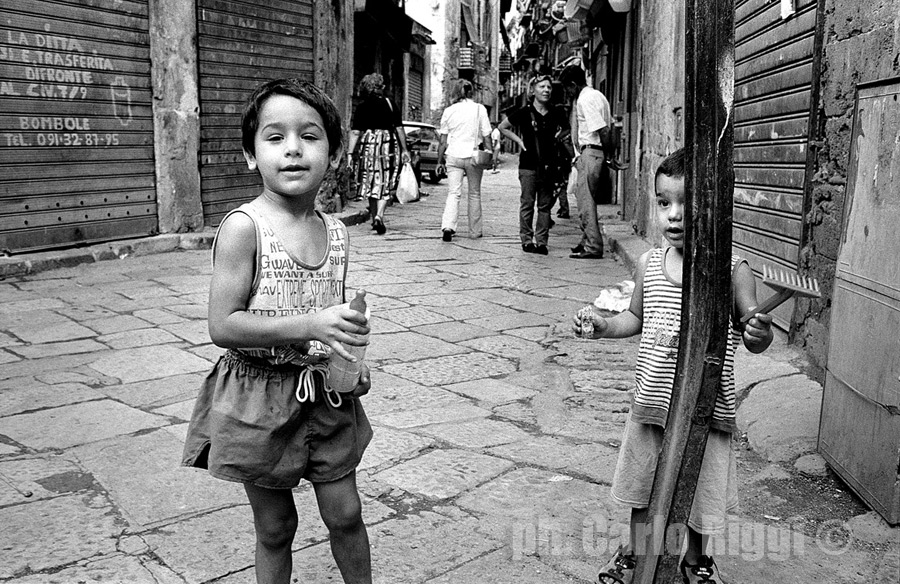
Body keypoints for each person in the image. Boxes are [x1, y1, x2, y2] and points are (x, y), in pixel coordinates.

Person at [182, 78, 374, 584]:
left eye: (310, 136)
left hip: (328, 398)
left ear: (333, 154)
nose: (293, 148)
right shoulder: (245, 228)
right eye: (275, 137)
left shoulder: (336, 231)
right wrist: (310, 323)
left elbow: (332, 312)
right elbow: (223, 324)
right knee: (275, 525)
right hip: (256, 397)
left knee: (346, 513)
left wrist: (351, 358)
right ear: (251, 155)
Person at [572, 148, 774, 584]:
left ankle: (697, 561)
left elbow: (754, 329)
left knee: (702, 493)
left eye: (687, 204)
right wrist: (605, 326)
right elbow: (636, 318)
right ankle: (637, 554)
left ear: (715, 205)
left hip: (705, 408)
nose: (674, 216)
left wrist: (760, 333)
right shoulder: (650, 263)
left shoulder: (732, 270)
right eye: (664, 203)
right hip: (653, 405)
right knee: (643, 487)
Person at [498, 73, 569, 255]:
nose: (546, 90)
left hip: (549, 165)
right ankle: (527, 240)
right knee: (527, 203)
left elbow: (567, 128)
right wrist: (519, 142)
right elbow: (502, 127)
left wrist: (557, 138)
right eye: (542, 87)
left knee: (545, 206)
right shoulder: (524, 112)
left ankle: (542, 242)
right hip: (528, 165)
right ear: (533, 90)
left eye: (549, 87)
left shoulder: (556, 112)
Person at [559, 64, 613, 259]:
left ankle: (593, 246)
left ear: (573, 85)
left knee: (585, 203)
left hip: (590, 152)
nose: (567, 93)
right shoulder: (598, 96)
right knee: (586, 199)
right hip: (595, 153)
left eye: (567, 88)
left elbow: (603, 130)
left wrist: (608, 154)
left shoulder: (585, 99)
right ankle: (586, 241)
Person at [348, 73, 411, 235]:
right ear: (380, 87)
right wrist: (404, 149)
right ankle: (379, 216)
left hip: (368, 144)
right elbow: (399, 128)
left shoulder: (362, 106)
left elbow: (355, 132)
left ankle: (374, 216)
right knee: (385, 180)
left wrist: (349, 153)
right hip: (387, 144)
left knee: (370, 179)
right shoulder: (390, 104)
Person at [435, 79, 493, 242]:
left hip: (453, 156)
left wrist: (439, 161)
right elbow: (487, 134)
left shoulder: (449, 111)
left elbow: (443, 141)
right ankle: (474, 231)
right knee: (474, 193)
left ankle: (448, 227)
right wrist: (489, 155)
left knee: (454, 193)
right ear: (470, 91)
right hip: (473, 156)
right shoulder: (479, 109)